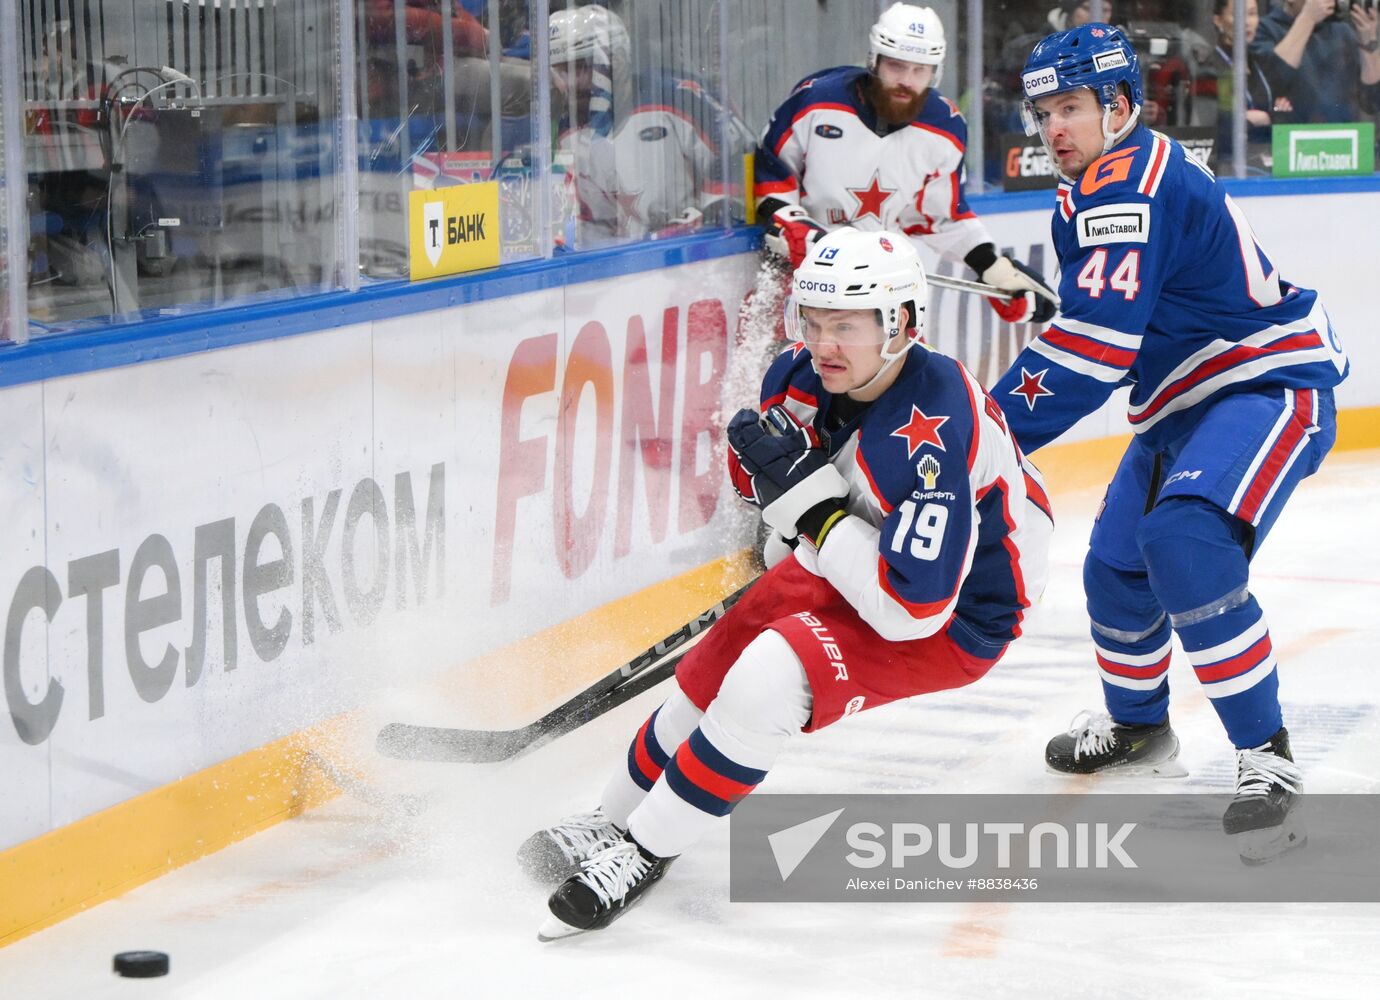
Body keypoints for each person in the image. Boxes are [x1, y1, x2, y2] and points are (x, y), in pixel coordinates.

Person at [521, 227, 1053, 939]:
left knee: (766, 679)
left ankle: (646, 851)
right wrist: (783, 497)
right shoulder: (802, 376)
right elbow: (778, 487)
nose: (822, 342)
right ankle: (609, 821)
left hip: (960, 610)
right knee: (709, 672)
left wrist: (814, 510)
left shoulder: (932, 428)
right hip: (862, 550)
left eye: (846, 325)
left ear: (899, 324)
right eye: (812, 320)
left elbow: (910, 609)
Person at [991, 23, 1349, 862]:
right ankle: (1140, 730)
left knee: (1184, 542)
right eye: (1043, 113)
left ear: (1119, 105)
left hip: (1266, 381)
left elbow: (1093, 353)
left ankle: (1268, 757)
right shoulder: (1093, 186)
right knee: (1116, 570)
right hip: (1186, 396)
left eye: (1070, 108)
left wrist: (989, 432)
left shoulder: (1127, 182)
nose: (1052, 130)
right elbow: (1118, 328)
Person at [754, 3, 1060, 327]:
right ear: (875, 61)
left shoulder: (946, 128)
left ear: (935, 72)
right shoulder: (815, 101)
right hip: (806, 278)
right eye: (896, 67)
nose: (907, 81)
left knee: (904, 370)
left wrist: (993, 267)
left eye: (920, 70)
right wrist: (794, 228)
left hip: (880, 284)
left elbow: (941, 217)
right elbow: (771, 178)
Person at [548, 4, 755, 245]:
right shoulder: (569, 131)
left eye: (581, 67)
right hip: (644, 267)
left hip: (707, 254)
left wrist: (704, 219)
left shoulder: (678, 97)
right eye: (560, 71)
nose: (570, 83)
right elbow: (597, 222)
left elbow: (742, 155)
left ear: (618, 58)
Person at [1252, 0, 1380, 124]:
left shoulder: (1342, 32)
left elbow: (1371, 101)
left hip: (1342, 137)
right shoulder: (1263, 29)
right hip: (1288, 138)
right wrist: (1308, 18)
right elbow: (1271, 81)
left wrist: (1368, 43)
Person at [1204, 0, 1293, 169]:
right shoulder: (1209, 68)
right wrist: (1264, 119)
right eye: (1237, 15)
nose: (1246, 21)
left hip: (1268, 163)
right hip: (1225, 167)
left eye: (1252, 14)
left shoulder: (1262, 63)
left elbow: (1287, 114)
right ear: (1218, 20)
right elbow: (1217, 127)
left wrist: (1267, 117)